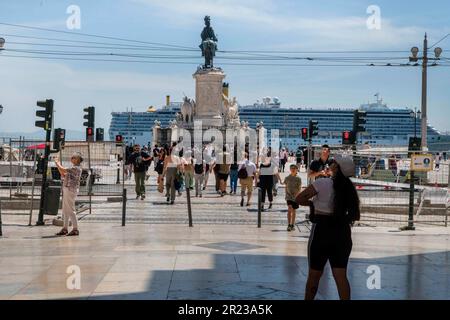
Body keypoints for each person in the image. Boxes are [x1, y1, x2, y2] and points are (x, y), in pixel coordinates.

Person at [295, 156, 360, 300]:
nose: (331, 164)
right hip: (342, 232)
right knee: (341, 276)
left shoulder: (322, 183)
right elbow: (355, 214)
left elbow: (299, 198)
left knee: (314, 275)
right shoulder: (350, 189)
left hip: (322, 231)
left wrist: (313, 204)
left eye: (334, 163)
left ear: (337, 168)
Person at [55, 153, 83, 237]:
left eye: (73, 157)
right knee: (65, 209)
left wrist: (57, 163)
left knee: (70, 209)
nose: (71, 158)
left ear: (77, 160)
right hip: (67, 188)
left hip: (70, 189)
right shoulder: (73, 168)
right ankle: (65, 228)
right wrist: (58, 165)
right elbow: (63, 174)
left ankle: (75, 229)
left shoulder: (76, 168)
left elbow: (63, 170)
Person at [283, 164, 302, 231]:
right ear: (290, 169)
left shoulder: (298, 178)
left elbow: (299, 188)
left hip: (296, 196)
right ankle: (288, 224)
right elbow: (285, 187)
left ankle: (292, 224)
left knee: (294, 210)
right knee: (289, 208)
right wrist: (286, 195)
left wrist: (297, 195)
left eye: (294, 168)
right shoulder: (287, 178)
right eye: (291, 168)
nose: (293, 169)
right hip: (289, 196)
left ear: (297, 169)